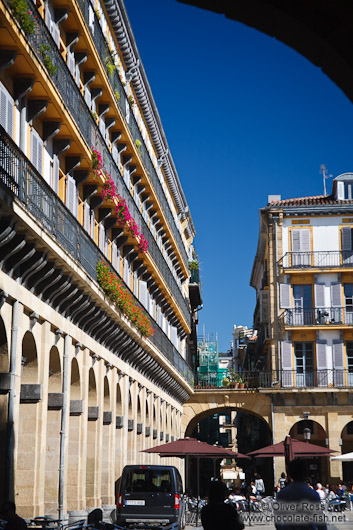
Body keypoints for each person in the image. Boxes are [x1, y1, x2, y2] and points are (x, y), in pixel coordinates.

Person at [274, 459, 327, 530]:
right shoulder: (313, 494)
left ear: (290, 474)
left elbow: (278, 520)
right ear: (306, 473)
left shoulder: (282, 494)